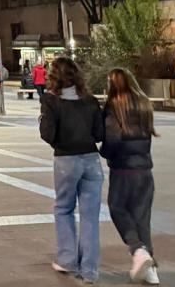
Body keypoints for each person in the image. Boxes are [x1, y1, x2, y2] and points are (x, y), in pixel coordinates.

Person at [39, 57, 104, 284]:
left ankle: (67, 259)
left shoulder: (51, 100)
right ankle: (90, 270)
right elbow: (100, 134)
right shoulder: (90, 100)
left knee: (64, 209)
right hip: (91, 160)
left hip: (66, 159)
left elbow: (47, 133)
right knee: (90, 216)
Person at [101, 68, 160, 285]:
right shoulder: (144, 103)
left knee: (117, 209)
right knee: (142, 218)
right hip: (145, 170)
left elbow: (112, 140)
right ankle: (151, 270)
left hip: (123, 170)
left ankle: (138, 251)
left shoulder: (113, 107)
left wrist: (104, 152)